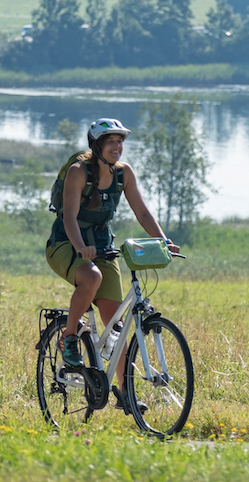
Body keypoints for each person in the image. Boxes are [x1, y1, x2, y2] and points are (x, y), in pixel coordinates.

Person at [45, 117, 181, 414]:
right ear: (97, 146)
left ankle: (125, 394)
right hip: (66, 244)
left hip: (103, 247)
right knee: (90, 277)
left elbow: (143, 213)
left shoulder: (123, 174)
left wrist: (163, 240)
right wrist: (81, 247)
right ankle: (69, 338)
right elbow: (68, 216)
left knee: (116, 328)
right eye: (111, 142)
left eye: (120, 141)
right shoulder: (78, 172)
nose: (117, 147)